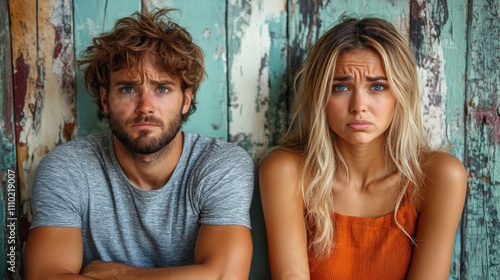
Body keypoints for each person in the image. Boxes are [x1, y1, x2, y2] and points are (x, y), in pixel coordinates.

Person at [24, 8, 254, 279]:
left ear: (186, 99)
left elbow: (223, 276)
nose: (145, 107)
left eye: (162, 89)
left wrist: (123, 274)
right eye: (128, 89)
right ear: (106, 99)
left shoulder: (221, 165)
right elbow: (46, 276)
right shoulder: (68, 168)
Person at [259, 17, 467, 280]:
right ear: (320, 96)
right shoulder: (287, 171)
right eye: (341, 87)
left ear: (400, 95)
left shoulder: (438, 176)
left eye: (377, 86)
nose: (359, 105)